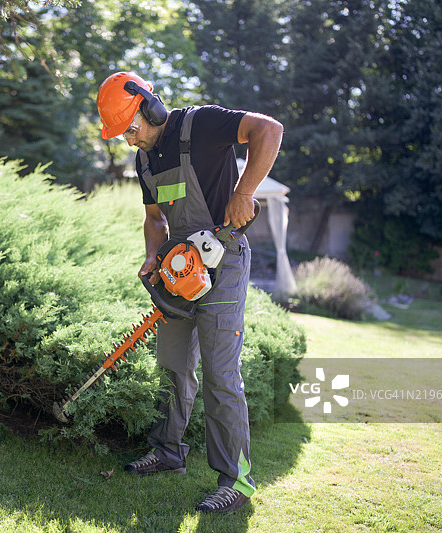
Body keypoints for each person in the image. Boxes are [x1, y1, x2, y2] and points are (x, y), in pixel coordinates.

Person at [95, 71, 283, 514]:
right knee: (173, 365)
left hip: (225, 262)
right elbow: (156, 219)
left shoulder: (199, 124)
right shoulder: (144, 161)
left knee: (221, 373)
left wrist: (245, 191)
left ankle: (237, 480)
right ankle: (168, 451)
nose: (129, 140)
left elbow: (268, 130)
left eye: (131, 128)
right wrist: (151, 254)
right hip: (179, 269)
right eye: (122, 134)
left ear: (150, 107)